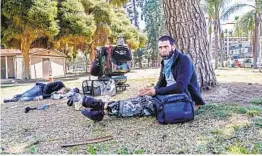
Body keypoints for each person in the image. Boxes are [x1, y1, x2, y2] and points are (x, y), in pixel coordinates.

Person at [67, 35, 205, 121]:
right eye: (160, 47)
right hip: (168, 95)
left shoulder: (184, 59)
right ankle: (100, 111)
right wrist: (151, 90)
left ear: (173, 47)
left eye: (166, 47)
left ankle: (101, 106)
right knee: (141, 99)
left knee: (144, 105)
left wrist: (156, 92)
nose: (163, 50)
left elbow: (181, 86)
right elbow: (161, 83)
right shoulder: (165, 62)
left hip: (184, 99)